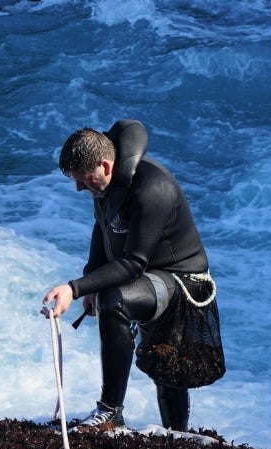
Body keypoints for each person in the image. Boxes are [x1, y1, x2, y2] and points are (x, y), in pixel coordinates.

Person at [41, 119, 215, 432]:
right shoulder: (106, 185)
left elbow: (134, 263)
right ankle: (172, 434)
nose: (79, 188)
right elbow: (103, 228)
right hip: (148, 278)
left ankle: (112, 414)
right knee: (157, 356)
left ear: (106, 166)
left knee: (118, 305)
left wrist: (74, 288)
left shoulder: (151, 188)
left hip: (180, 282)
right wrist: (91, 277)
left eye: (83, 180)